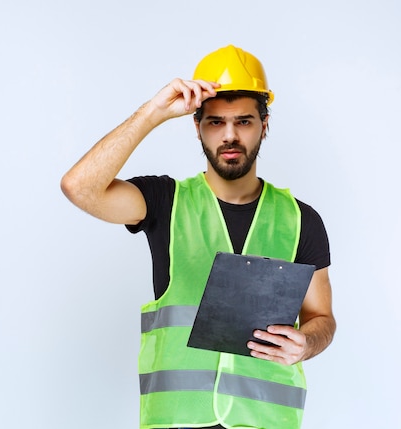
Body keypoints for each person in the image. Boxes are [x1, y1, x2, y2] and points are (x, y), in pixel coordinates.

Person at [61, 45, 336, 429]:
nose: (229, 136)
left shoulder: (301, 220)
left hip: (266, 420)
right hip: (179, 421)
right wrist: (153, 113)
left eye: (243, 122)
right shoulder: (164, 202)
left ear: (264, 124)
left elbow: (321, 318)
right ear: (196, 126)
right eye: (215, 122)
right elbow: (79, 187)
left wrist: (306, 343)